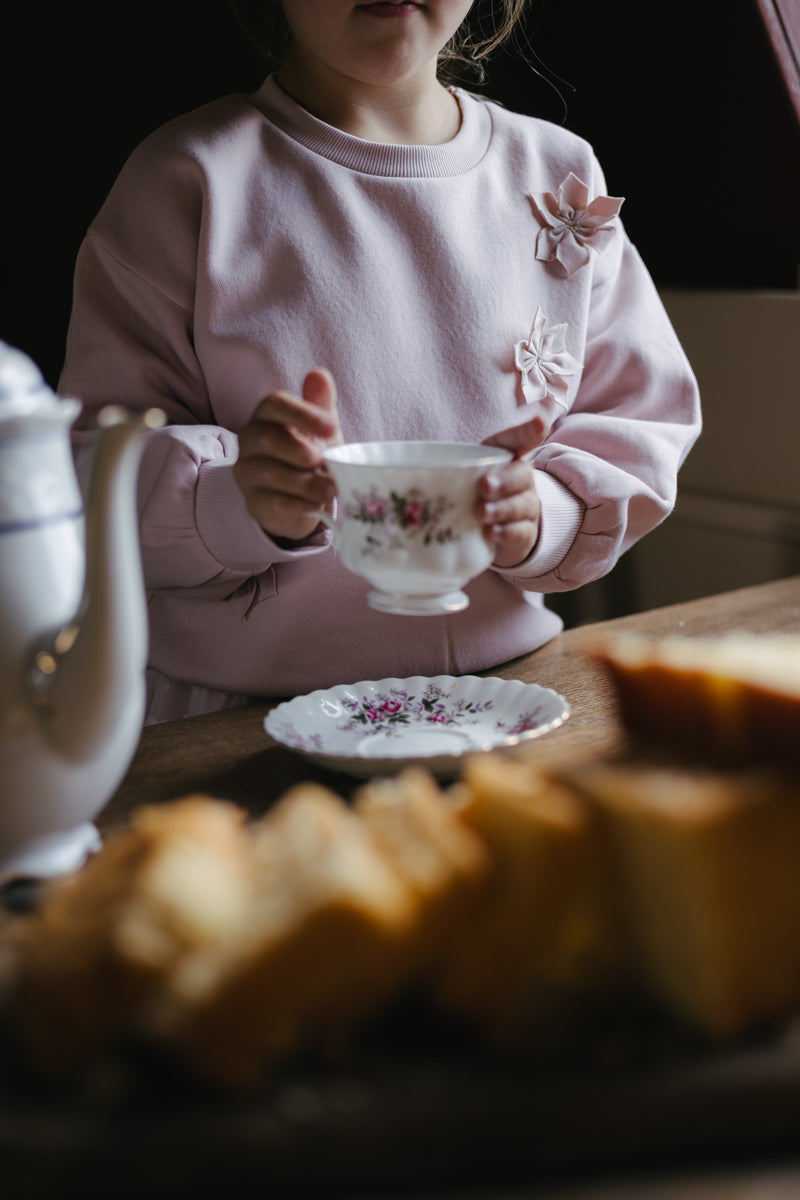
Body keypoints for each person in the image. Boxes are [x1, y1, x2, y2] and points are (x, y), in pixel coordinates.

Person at [59, 0, 701, 724]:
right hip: (237, 724)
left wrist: (542, 513)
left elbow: (641, 417)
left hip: (506, 700)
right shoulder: (188, 179)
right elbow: (89, 470)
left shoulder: (560, 174)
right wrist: (235, 501)